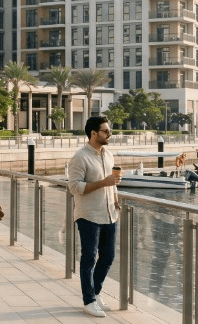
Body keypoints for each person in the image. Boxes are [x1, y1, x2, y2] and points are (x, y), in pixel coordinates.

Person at [66, 116, 121, 318]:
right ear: (94, 133)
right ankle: (88, 301)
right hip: (88, 215)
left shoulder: (109, 155)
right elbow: (74, 187)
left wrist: (115, 199)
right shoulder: (80, 157)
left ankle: (95, 293)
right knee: (89, 258)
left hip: (109, 214)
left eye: (110, 130)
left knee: (108, 257)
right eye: (106, 131)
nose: (110, 134)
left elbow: (111, 183)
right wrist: (103, 183)